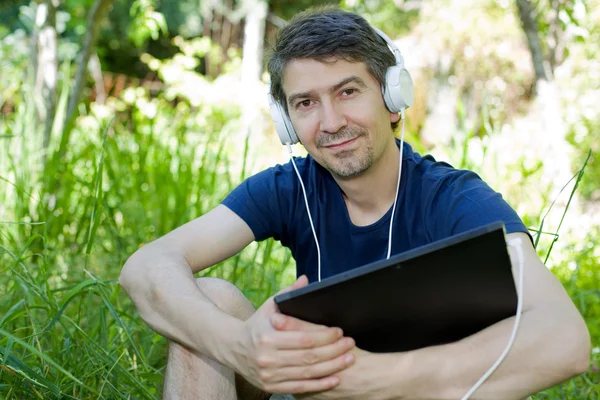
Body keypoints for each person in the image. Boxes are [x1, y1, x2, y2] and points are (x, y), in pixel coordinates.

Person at [119, 6, 591, 400]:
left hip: (414, 390)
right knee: (212, 299)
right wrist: (238, 346)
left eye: (347, 91)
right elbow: (147, 266)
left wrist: (372, 379)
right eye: (305, 103)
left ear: (392, 97)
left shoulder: (454, 199)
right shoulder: (291, 188)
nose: (331, 122)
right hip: (310, 388)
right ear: (287, 122)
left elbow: (566, 338)